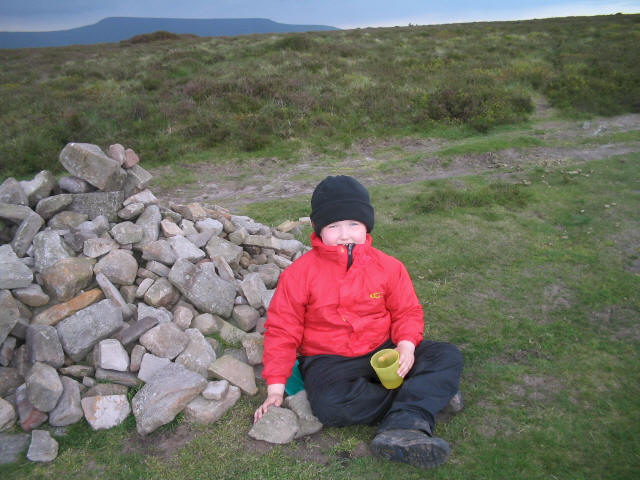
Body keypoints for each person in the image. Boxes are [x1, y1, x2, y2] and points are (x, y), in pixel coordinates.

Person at [254, 175, 463, 469]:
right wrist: (275, 389)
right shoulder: (298, 275)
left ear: (367, 225)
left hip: (384, 349)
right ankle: (423, 402)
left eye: (353, 224)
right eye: (333, 226)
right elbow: (281, 330)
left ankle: (410, 414)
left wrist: (406, 347)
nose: (344, 234)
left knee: (446, 354)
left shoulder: (389, 267)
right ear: (318, 229)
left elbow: (407, 312)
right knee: (328, 406)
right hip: (329, 359)